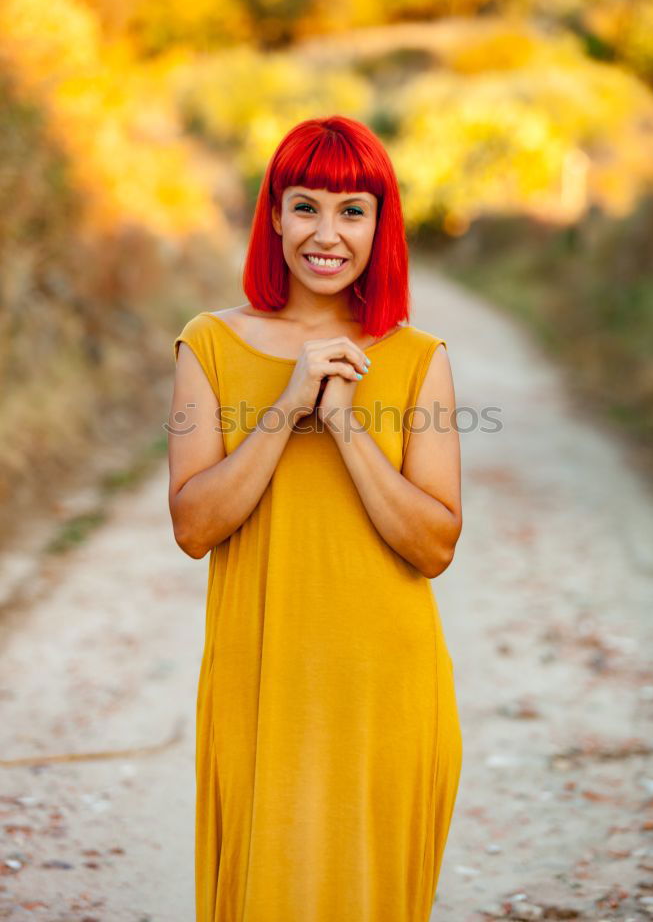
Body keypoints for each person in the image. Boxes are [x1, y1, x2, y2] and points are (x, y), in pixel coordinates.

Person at [168, 114, 463, 922]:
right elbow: (194, 527)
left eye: (352, 211)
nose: (326, 234)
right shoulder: (209, 346)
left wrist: (342, 425)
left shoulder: (417, 358)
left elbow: (433, 545)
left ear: (380, 227)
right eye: (306, 207)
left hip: (385, 690)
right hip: (261, 680)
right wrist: (286, 408)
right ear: (273, 214)